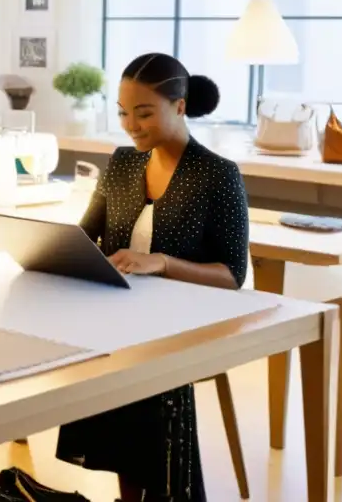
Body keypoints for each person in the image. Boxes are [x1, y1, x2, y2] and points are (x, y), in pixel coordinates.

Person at [54, 52, 249, 502]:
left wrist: (162, 262)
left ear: (180, 106)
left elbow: (232, 274)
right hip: (123, 318)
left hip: (181, 323)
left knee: (147, 368)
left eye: (144, 113)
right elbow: (87, 236)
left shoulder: (217, 175)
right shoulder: (123, 163)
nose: (130, 125)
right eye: (123, 113)